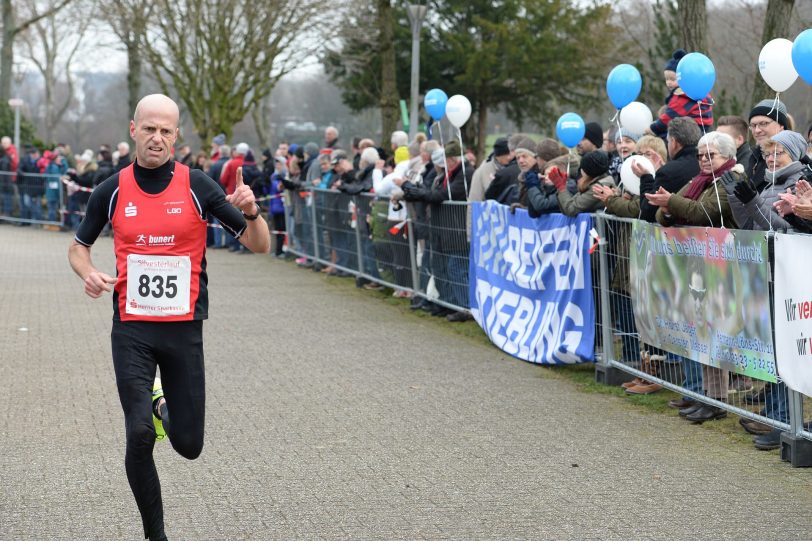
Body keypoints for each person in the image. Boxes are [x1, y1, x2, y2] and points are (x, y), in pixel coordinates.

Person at [67, 94, 270, 541]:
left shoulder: (199, 186)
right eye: (149, 128)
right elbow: (78, 245)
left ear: (177, 136)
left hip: (183, 331)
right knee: (139, 434)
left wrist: (252, 211)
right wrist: (89, 273)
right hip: (132, 329)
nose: (157, 137)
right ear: (133, 129)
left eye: (166, 130)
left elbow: (260, 245)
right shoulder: (112, 188)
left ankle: (164, 404)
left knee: (189, 446)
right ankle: (154, 535)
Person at [649, 49, 713, 140]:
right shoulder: (702, 93)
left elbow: (668, 117)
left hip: (692, 131)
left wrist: (652, 128)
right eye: (667, 79)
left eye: (673, 79)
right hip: (704, 130)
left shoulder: (682, 97)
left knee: (662, 138)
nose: (669, 83)